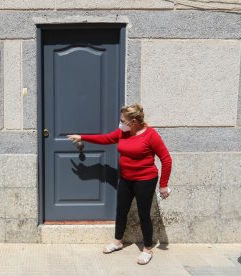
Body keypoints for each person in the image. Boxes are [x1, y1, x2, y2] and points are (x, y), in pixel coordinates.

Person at [67, 103, 172, 265]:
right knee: (121, 210)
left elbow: (166, 159)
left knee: (144, 214)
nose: (120, 123)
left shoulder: (150, 135)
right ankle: (118, 241)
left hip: (145, 180)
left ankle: (147, 249)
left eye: (123, 120)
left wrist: (163, 184)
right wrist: (82, 137)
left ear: (134, 121)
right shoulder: (123, 133)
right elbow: (106, 138)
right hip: (126, 178)